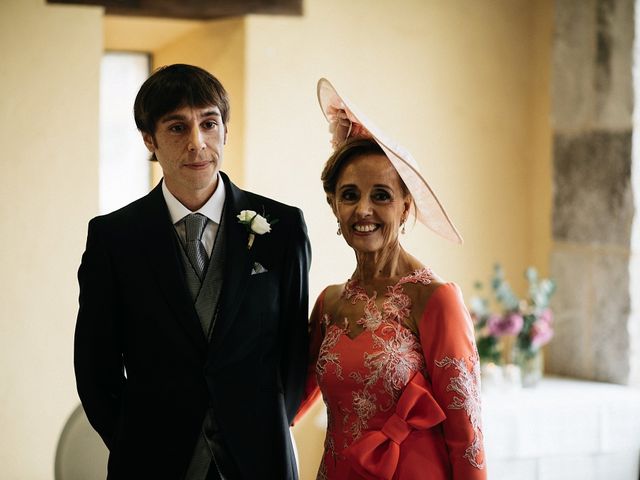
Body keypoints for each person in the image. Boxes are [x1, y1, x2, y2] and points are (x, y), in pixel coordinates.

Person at [74, 64, 311, 480]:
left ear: (225, 130)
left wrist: (259, 428)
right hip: (152, 461)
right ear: (150, 140)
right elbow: (96, 371)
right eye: (177, 128)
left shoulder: (283, 227)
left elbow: (294, 356)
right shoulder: (114, 238)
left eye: (209, 123)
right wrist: (138, 441)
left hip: (259, 460)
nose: (197, 143)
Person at [297, 78, 486, 479]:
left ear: (404, 207)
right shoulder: (329, 304)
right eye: (349, 195)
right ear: (334, 206)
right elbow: (288, 400)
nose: (363, 209)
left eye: (380, 195)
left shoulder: (436, 300)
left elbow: (467, 435)